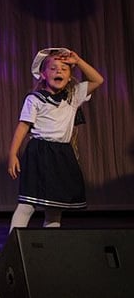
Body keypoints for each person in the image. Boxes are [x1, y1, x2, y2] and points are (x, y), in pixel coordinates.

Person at [7, 48, 103, 231]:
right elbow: (23, 126)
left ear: (69, 76)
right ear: (43, 74)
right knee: (27, 204)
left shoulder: (74, 95)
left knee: (55, 206)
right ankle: (13, 248)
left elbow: (98, 80)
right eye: (53, 68)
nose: (59, 71)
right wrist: (12, 154)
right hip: (39, 152)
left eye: (64, 69)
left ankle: (50, 250)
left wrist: (79, 61)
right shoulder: (35, 99)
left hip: (62, 154)